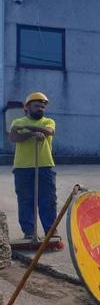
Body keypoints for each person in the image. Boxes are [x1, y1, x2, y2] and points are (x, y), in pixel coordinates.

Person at [8, 92, 57, 240]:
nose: (40, 109)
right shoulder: (17, 121)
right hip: (22, 167)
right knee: (25, 200)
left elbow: (49, 131)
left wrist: (28, 128)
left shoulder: (48, 121)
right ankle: (29, 232)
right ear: (27, 107)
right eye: (36, 106)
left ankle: (50, 231)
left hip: (45, 166)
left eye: (42, 106)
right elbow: (13, 137)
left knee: (47, 200)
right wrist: (31, 134)